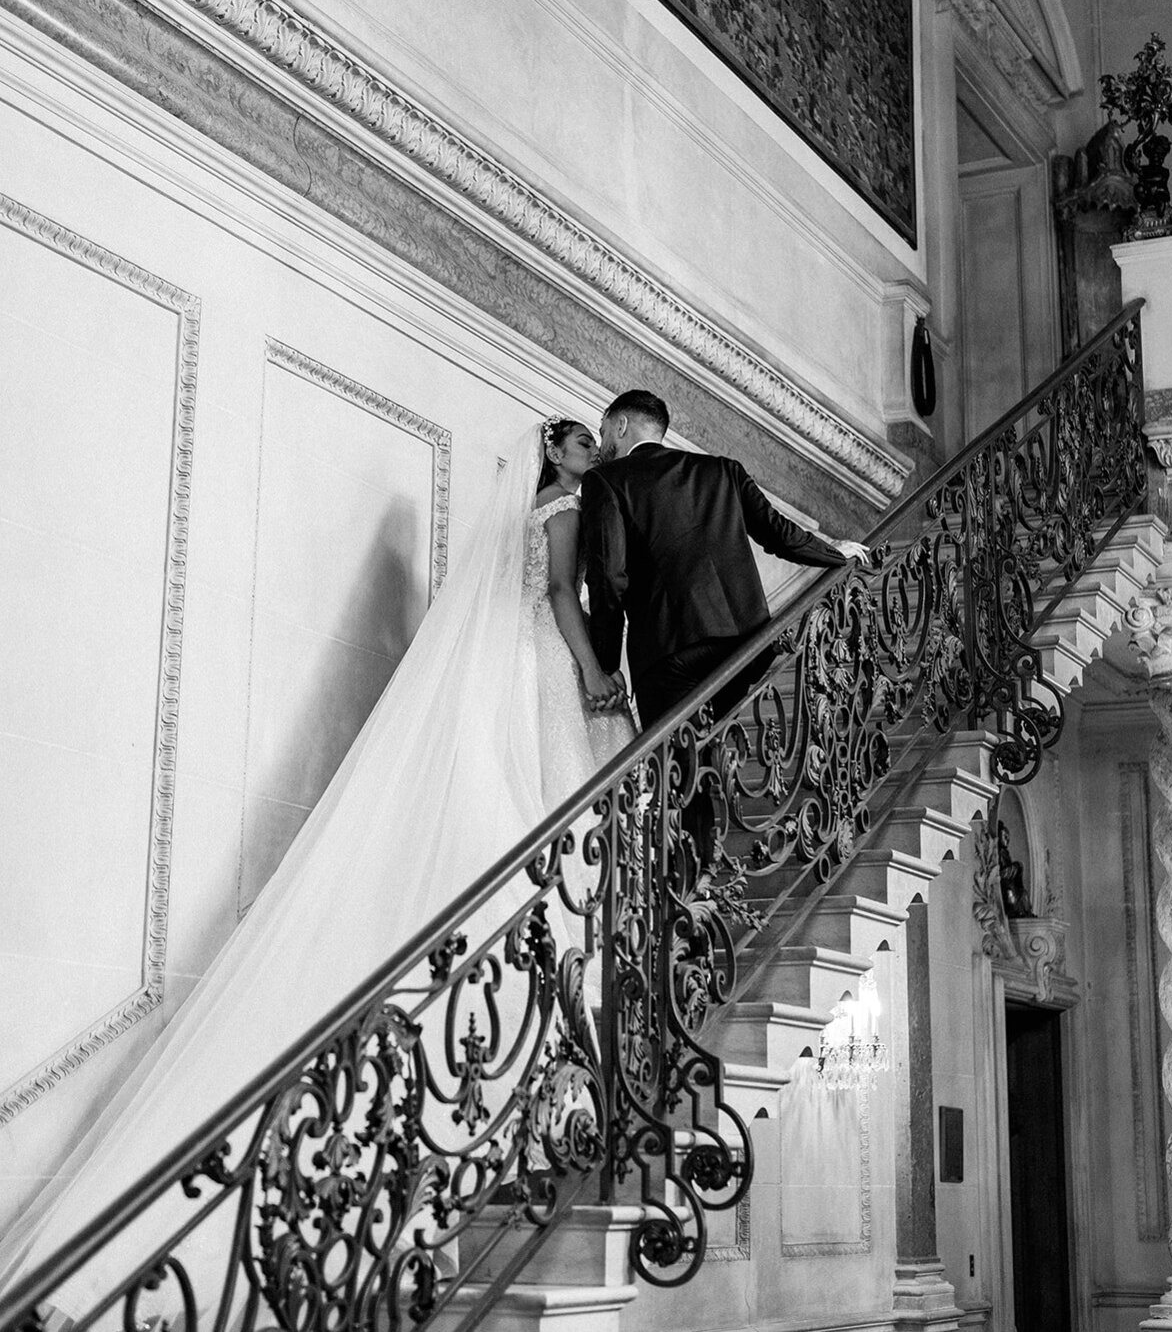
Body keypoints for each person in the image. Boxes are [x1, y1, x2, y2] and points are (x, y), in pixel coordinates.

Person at [0, 418, 634, 1314]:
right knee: (545, 844)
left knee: (530, 855)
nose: (590, 459)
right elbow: (563, 600)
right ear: (560, 455)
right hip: (538, 666)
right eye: (582, 446)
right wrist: (597, 675)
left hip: (508, 664)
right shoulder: (563, 509)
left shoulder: (519, 519)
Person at [582, 389, 871, 733]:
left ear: (620, 424)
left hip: (668, 650)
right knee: (711, 756)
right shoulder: (721, 470)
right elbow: (777, 533)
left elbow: (609, 577)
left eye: (601, 433)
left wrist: (606, 660)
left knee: (677, 768)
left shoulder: (606, 480)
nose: (600, 446)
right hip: (743, 647)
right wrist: (832, 552)